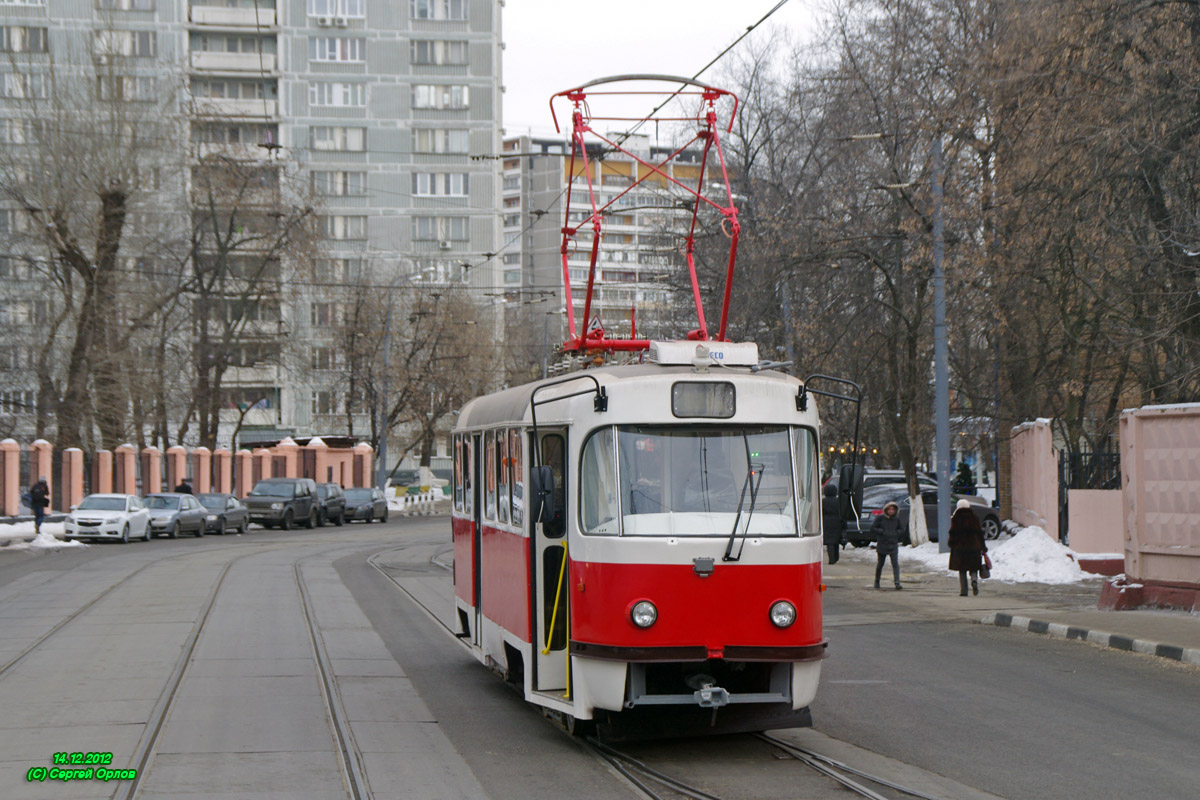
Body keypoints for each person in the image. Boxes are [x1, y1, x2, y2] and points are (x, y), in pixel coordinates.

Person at [948, 498, 987, 596]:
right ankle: (974, 581)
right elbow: (979, 533)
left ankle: (964, 591)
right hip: (974, 546)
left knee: (962, 570)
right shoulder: (974, 517)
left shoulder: (956, 518)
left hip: (960, 548)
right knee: (973, 567)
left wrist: (951, 543)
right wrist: (983, 547)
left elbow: (952, 533)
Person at [870, 500, 909, 590]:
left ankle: (897, 582)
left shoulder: (896, 519)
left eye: (893, 509)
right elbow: (873, 528)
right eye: (889, 509)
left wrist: (896, 533)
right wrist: (882, 532)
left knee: (895, 564)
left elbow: (901, 529)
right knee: (880, 563)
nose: (891, 511)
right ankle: (877, 581)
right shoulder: (880, 518)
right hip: (882, 544)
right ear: (886, 510)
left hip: (893, 544)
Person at [821, 483, 844, 565]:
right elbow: (842, 512)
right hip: (837, 521)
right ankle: (836, 557)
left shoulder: (822, 502)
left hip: (826, 522)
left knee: (829, 542)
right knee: (836, 541)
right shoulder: (839, 501)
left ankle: (831, 558)